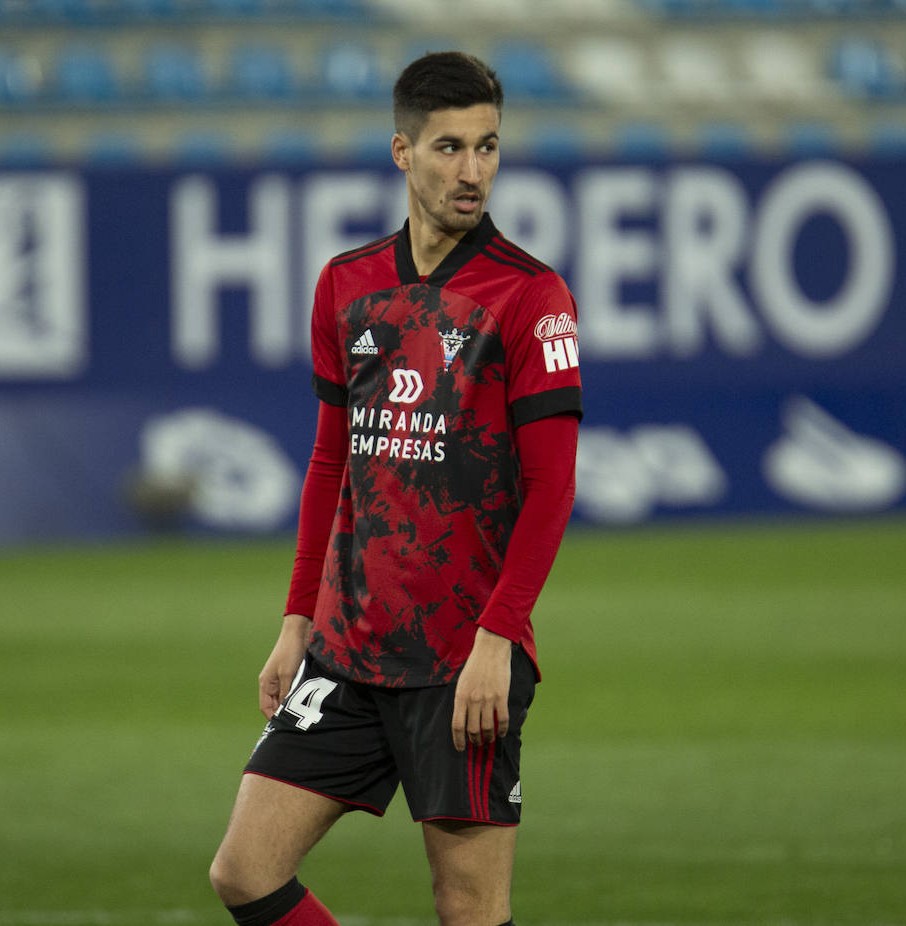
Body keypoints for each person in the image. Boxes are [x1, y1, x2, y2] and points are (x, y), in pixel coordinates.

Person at [209, 50, 582, 926]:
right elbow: (331, 461)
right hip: (346, 647)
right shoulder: (347, 284)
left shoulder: (530, 296)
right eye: (450, 147)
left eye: (488, 147)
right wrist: (298, 617)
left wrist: (499, 637)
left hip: (463, 659)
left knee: (468, 907)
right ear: (402, 152)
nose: (473, 171)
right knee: (243, 870)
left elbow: (552, 486)